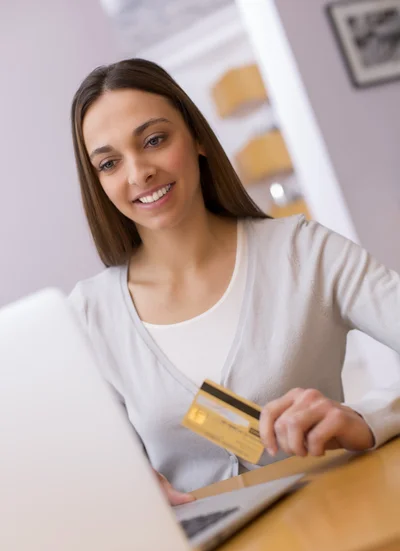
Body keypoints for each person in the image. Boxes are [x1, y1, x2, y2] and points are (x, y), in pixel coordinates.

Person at [69, 58, 400, 506]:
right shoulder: (90, 315)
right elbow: (84, 467)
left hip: (339, 541)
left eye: (154, 140)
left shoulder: (305, 252)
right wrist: (123, 495)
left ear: (198, 138)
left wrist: (367, 418)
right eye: (108, 163)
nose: (138, 173)